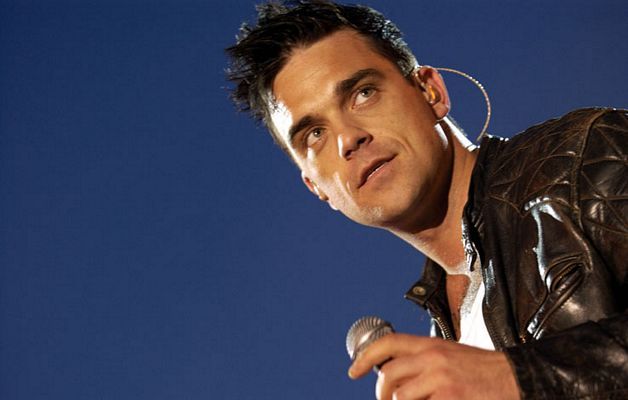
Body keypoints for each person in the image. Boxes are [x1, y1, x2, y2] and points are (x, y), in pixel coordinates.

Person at [225, 1, 628, 399]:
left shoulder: (584, 158)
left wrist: (516, 377)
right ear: (315, 185)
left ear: (430, 91)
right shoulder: (447, 333)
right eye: (315, 134)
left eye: (363, 93)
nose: (348, 138)